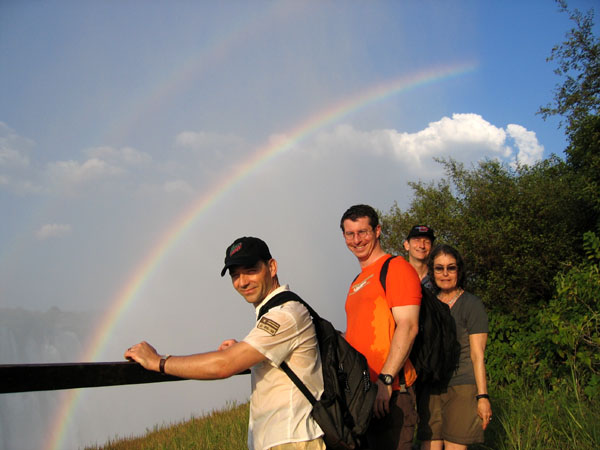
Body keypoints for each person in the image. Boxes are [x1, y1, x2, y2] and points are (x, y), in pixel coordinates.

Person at [125, 236, 325, 450]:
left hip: (292, 440)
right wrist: (246, 353)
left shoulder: (283, 315)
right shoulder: (277, 312)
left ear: (272, 267)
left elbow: (223, 365)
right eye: (235, 275)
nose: (242, 282)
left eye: (250, 270)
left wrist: (158, 361)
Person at [340, 204, 421, 450]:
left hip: (391, 393)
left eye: (363, 232)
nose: (357, 240)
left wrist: (386, 379)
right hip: (362, 395)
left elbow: (408, 326)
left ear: (377, 231)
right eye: (350, 234)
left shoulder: (396, 268)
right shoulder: (356, 282)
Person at [417, 244, 492, 450]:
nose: (445, 274)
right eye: (439, 268)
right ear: (432, 272)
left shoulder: (471, 304)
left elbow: (478, 355)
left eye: (451, 268)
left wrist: (482, 397)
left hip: (462, 386)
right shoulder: (428, 304)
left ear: (459, 270)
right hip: (432, 386)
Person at [403, 225, 436, 292]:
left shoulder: (438, 278)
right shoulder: (396, 276)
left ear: (432, 248)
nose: (422, 246)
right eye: (417, 240)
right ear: (407, 245)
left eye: (427, 242)